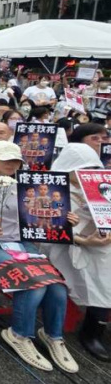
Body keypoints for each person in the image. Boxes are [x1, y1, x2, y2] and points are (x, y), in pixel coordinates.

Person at [0, 141, 79, 373]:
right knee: (31, 283)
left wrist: (63, 218)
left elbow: (42, 215)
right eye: (5, 159)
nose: (10, 164)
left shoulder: (28, 185)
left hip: (19, 241)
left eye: (15, 160)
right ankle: (18, 334)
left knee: (56, 284)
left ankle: (53, 336)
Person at [43, 143, 111, 362]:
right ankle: (92, 331)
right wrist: (83, 239)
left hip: (102, 242)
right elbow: (47, 230)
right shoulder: (52, 190)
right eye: (80, 169)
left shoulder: (101, 186)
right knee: (103, 273)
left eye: (91, 168)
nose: (85, 174)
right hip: (68, 246)